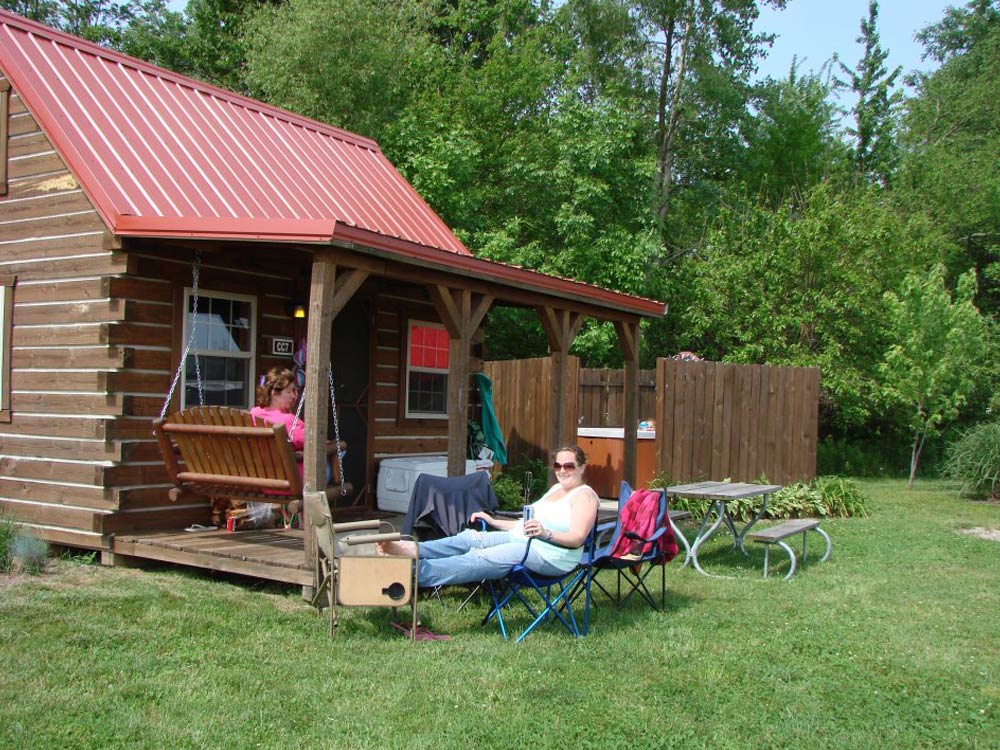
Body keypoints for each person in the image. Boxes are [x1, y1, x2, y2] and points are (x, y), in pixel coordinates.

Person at [377, 446, 599, 588]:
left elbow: (577, 538)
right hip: (524, 540)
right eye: (558, 465)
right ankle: (413, 550)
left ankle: (413, 574)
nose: (562, 470)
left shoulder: (585, 496)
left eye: (569, 466)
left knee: (479, 557)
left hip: (551, 556)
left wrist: (545, 533)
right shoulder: (555, 490)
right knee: (469, 538)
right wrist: (493, 521)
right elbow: (525, 525)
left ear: (582, 467)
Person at [249, 366, 334, 526]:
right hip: (288, 484)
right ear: (274, 393)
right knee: (326, 460)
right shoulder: (287, 421)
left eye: (295, 391)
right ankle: (317, 530)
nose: (295, 396)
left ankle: (298, 523)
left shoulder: (253, 415)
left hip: (261, 482)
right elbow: (314, 440)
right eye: (290, 391)